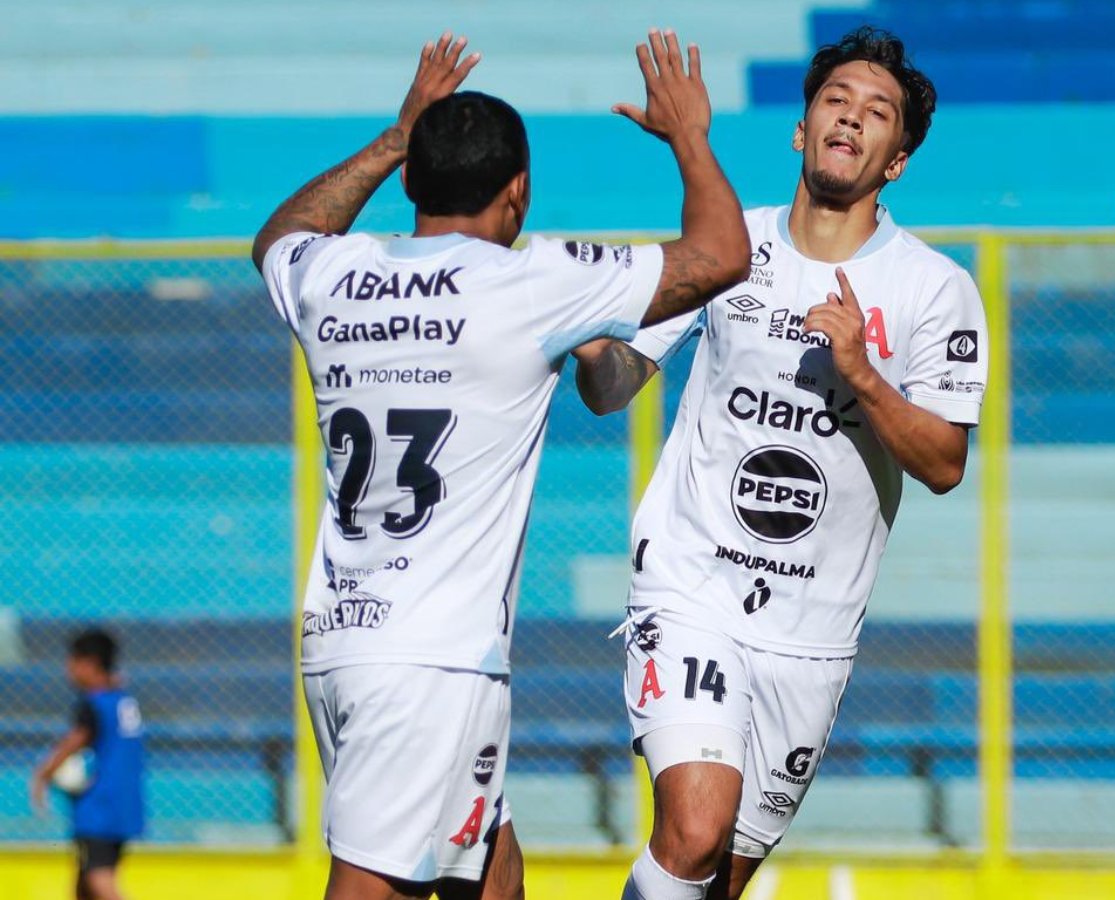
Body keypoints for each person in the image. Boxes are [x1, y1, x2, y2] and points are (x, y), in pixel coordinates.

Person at [251, 29, 749, 900]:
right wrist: (688, 137)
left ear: (411, 181)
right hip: (430, 664)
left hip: (347, 640)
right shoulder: (528, 284)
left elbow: (279, 236)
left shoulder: (332, 273)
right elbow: (721, 256)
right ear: (518, 192)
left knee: (493, 875)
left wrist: (398, 133)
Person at [572, 26, 990, 900]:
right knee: (694, 830)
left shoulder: (935, 289)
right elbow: (613, 387)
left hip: (812, 634)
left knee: (712, 879)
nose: (851, 117)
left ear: (897, 160)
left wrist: (863, 376)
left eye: (877, 112)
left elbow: (946, 462)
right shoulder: (730, 249)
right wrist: (574, 338)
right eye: (836, 100)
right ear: (802, 128)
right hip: (694, 587)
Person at [32, 628, 145, 900]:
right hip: (126, 804)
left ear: (89, 664)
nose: (68, 670)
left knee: (99, 877)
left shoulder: (93, 704)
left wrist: (43, 774)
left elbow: (76, 740)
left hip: (100, 808)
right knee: (84, 884)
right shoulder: (122, 699)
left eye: (72, 662)